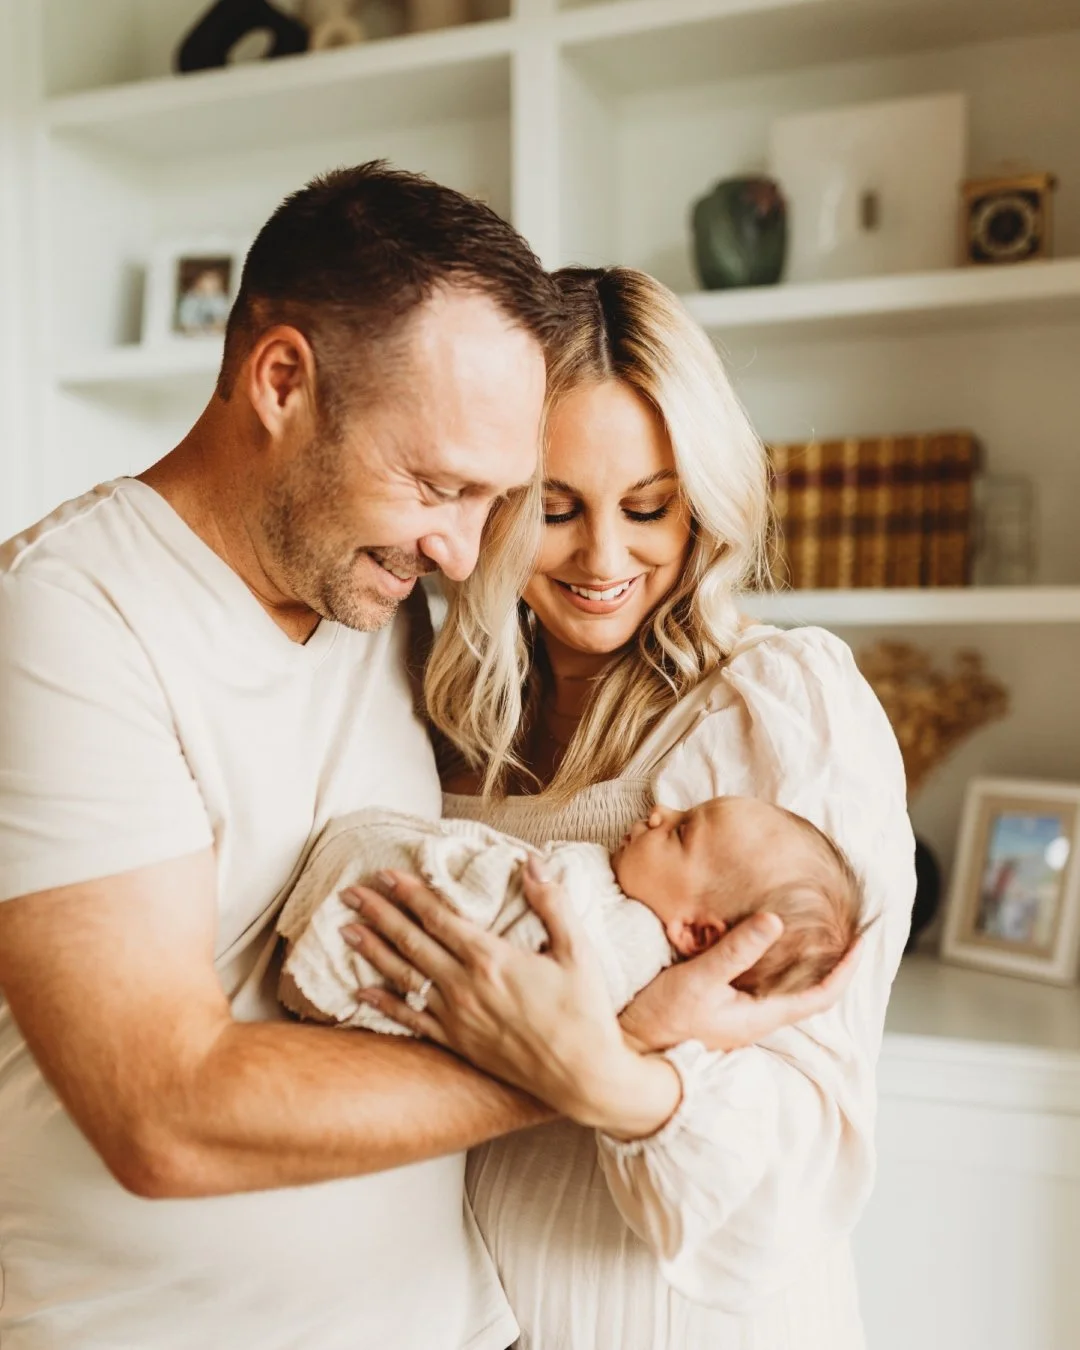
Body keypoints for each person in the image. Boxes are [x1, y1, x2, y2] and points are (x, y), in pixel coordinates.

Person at [0, 169, 847, 1350]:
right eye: (440, 485)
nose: (460, 554)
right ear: (281, 380)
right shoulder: (66, 622)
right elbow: (164, 1117)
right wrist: (612, 1043)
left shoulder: (377, 595)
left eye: (495, 499)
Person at [340, 265, 917, 1349]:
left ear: (703, 501)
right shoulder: (431, 702)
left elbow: (809, 1149)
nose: (606, 559)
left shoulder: (779, 708)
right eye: (555, 509)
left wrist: (616, 1076)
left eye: (649, 508)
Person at [274, 794, 863, 1032]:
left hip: (364, 936)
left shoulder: (625, 954)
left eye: (681, 832)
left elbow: (536, 991)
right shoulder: (622, 903)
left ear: (695, 932)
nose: (660, 811)